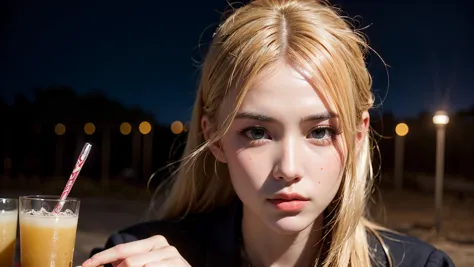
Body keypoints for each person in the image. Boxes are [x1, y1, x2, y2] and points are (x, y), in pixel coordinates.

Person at [82, 0, 455, 266]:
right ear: (214, 138)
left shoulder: (420, 264)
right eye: (257, 131)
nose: (288, 168)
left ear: (358, 136)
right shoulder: (136, 256)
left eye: (321, 131)